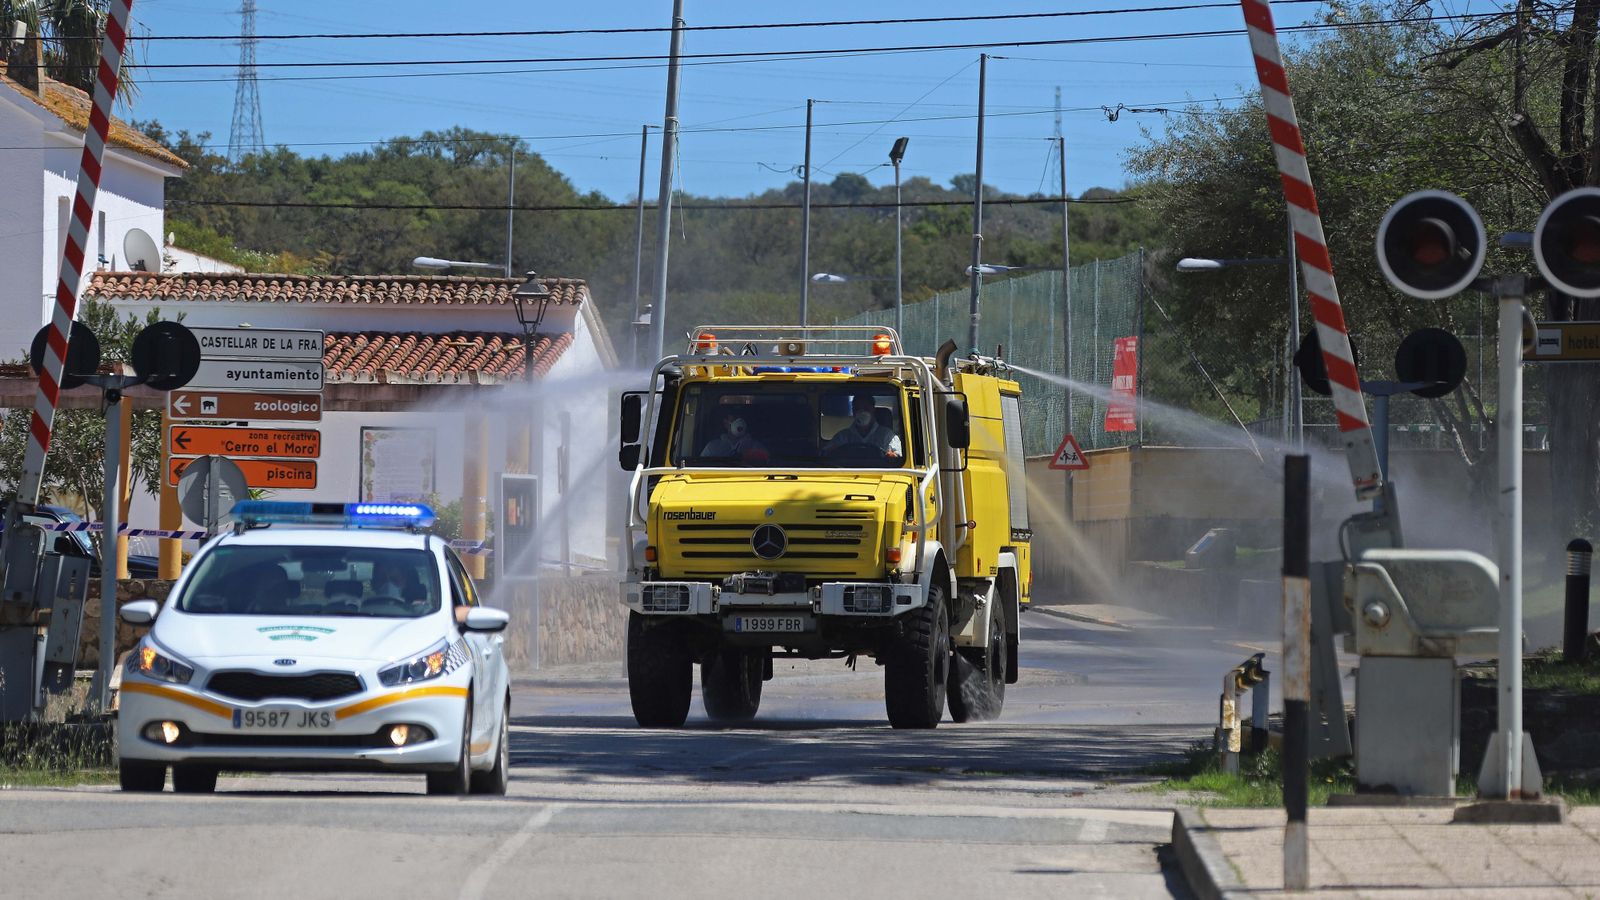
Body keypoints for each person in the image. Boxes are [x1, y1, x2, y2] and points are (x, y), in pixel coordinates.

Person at [826, 393, 902, 459]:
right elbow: (825, 454)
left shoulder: (887, 436)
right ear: (853, 412)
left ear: (873, 410)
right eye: (858, 409)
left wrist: (893, 456)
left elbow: (899, 457)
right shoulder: (842, 437)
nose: (862, 412)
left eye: (866, 408)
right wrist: (832, 452)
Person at [700, 410, 768, 461]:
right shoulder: (712, 448)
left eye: (741, 418)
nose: (739, 422)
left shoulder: (757, 447)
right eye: (734, 418)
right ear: (725, 423)